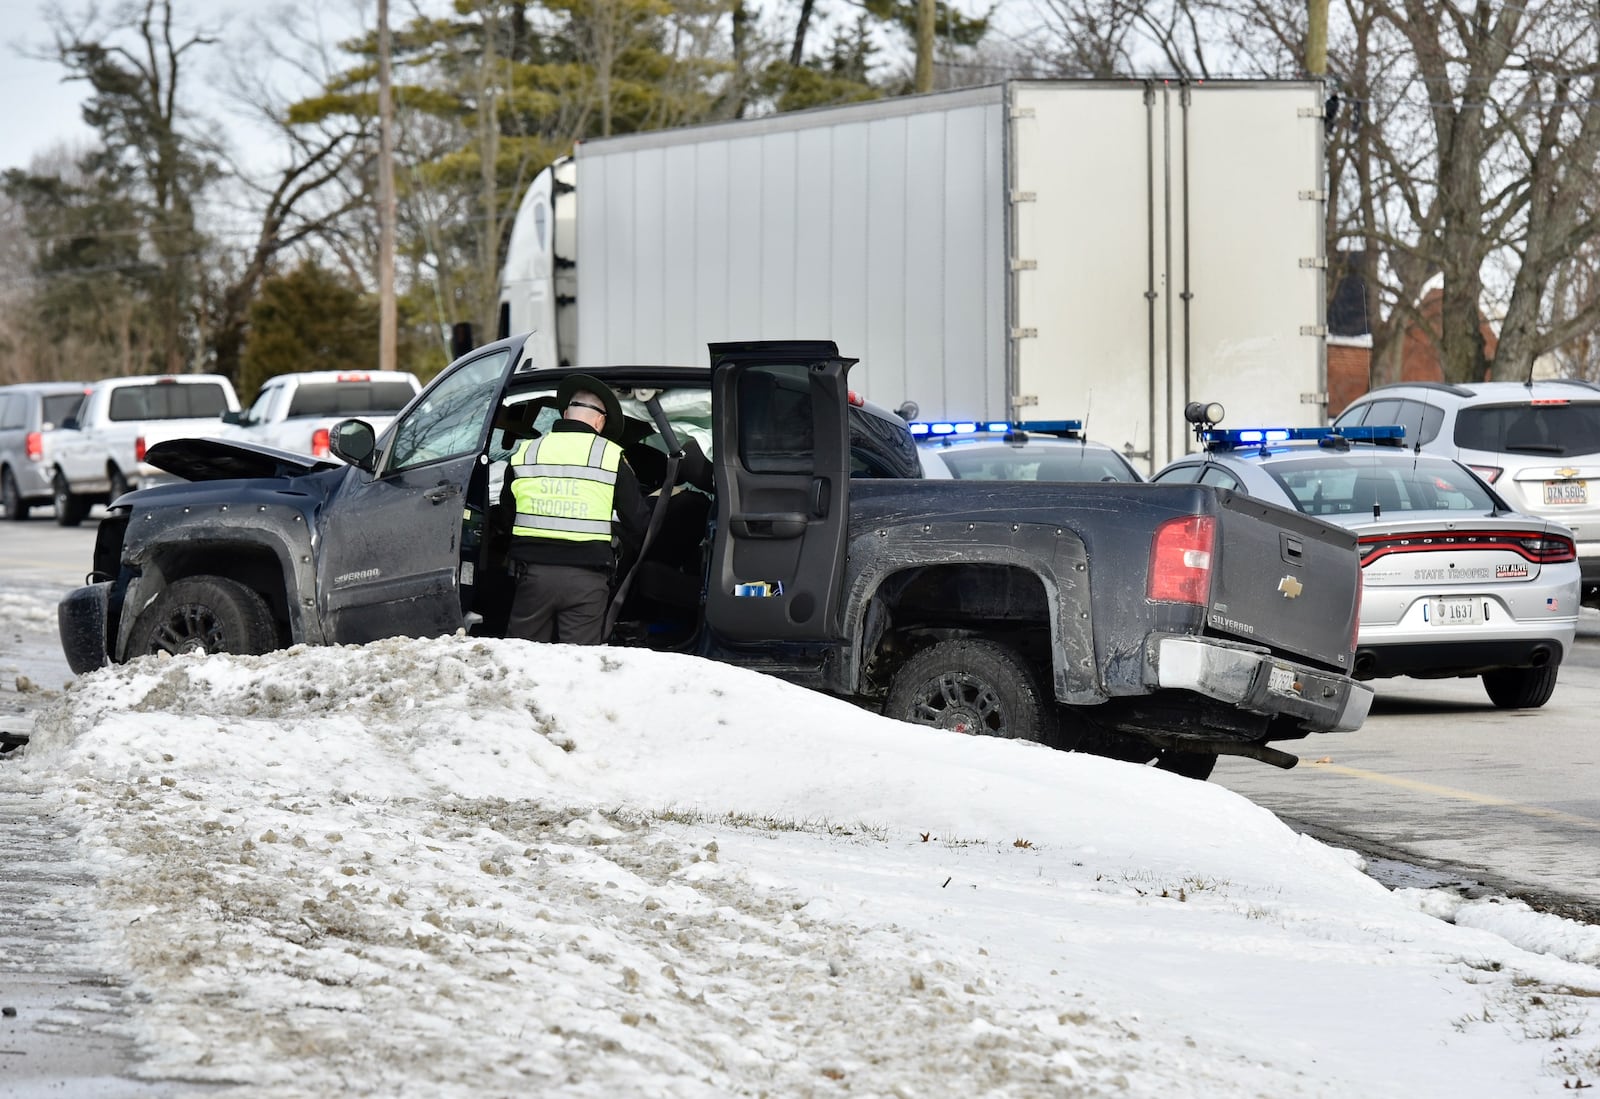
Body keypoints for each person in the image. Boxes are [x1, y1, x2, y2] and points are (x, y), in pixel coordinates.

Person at [501, 375, 650, 645]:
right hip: (587, 580)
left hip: (532, 577)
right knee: (578, 667)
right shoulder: (610, 455)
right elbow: (638, 522)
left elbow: (507, 515)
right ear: (600, 421)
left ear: (566, 412)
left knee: (523, 661)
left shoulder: (526, 452)